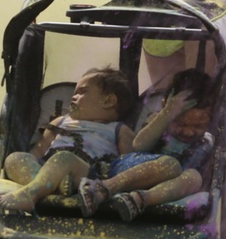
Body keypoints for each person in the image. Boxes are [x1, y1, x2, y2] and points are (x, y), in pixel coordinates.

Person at [78, 68, 214, 221]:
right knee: (170, 165)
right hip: (133, 173)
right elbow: (138, 146)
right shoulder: (158, 123)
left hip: (160, 190)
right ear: (164, 107)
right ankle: (103, 188)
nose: (188, 132)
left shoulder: (206, 142)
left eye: (198, 126)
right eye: (180, 123)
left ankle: (139, 200)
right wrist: (167, 114)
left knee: (194, 177)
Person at [0, 67, 136, 213]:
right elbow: (38, 151)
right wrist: (26, 162)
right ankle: (55, 187)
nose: (73, 97)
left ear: (108, 101)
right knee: (15, 158)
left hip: (87, 175)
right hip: (48, 169)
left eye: (82, 92)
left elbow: (127, 164)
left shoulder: (118, 129)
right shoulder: (60, 122)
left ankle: (32, 193)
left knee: (64, 159)